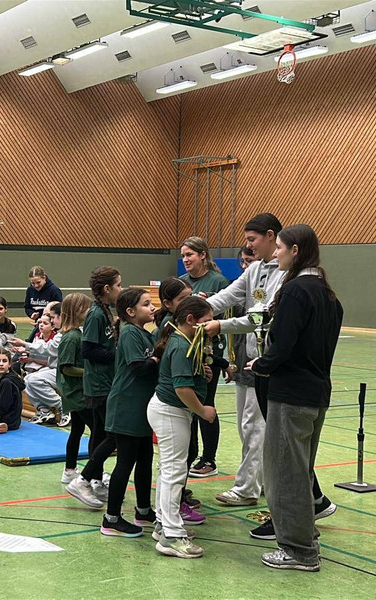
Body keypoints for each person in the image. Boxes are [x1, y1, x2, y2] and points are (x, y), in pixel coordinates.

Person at [203, 213, 336, 536]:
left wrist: (261, 360)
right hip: (275, 371)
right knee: (283, 449)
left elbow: (268, 323)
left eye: (257, 241)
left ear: (284, 244)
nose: (251, 247)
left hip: (281, 377)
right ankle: (309, 505)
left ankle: (287, 525)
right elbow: (229, 297)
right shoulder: (291, 280)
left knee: (281, 452)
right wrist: (196, 310)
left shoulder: (295, 286)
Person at [247, 224, 343, 572]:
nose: (275, 254)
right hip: (316, 394)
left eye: (279, 248)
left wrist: (262, 364)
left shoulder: (296, 291)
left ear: (296, 251)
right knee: (300, 472)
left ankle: (299, 550)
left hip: (291, 396)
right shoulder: (328, 295)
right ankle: (305, 536)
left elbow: (283, 344)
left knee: (284, 474)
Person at [148, 296, 220, 559]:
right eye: (206, 321)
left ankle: (163, 524)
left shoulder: (184, 341)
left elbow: (185, 377)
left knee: (169, 469)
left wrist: (201, 374)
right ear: (190, 320)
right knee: (174, 472)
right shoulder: (180, 345)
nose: (210, 326)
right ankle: (172, 535)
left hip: (172, 412)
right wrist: (203, 410)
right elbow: (181, 388)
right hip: (171, 412)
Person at [99, 288, 160, 538]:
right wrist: (157, 358)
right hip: (127, 406)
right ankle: (111, 518)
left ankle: (143, 510)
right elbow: (139, 368)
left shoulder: (144, 333)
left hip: (141, 407)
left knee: (145, 459)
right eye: (146, 304)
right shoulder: (129, 334)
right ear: (131, 311)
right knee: (125, 462)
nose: (152, 307)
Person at [65, 267, 121, 508]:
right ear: (107, 289)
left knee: (98, 434)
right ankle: (83, 480)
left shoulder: (105, 311)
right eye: (118, 285)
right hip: (99, 385)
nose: (120, 289)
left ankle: (96, 480)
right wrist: (117, 354)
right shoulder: (96, 314)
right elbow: (89, 350)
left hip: (104, 382)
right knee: (112, 436)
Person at [215, 246, 265, 508]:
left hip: (260, 366)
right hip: (242, 365)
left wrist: (217, 324)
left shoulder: (268, 286)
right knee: (245, 427)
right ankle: (259, 480)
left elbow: (254, 321)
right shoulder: (244, 284)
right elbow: (225, 302)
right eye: (243, 261)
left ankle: (247, 487)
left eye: (250, 260)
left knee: (254, 428)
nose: (246, 266)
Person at [179, 237, 230, 478]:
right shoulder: (182, 282)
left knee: (205, 402)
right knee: (188, 405)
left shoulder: (218, 281)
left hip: (209, 351)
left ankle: (209, 458)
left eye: (189, 254)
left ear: (202, 255)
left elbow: (225, 314)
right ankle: (188, 455)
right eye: (183, 256)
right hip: (187, 350)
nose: (185, 259)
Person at [57, 293, 91, 484]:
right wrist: (90, 373)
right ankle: (93, 472)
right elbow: (66, 368)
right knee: (98, 430)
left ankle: (70, 469)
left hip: (77, 390)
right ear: (78, 311)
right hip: (76, 393)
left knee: (77, 429)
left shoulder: (77, 334)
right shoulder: (71, 337)